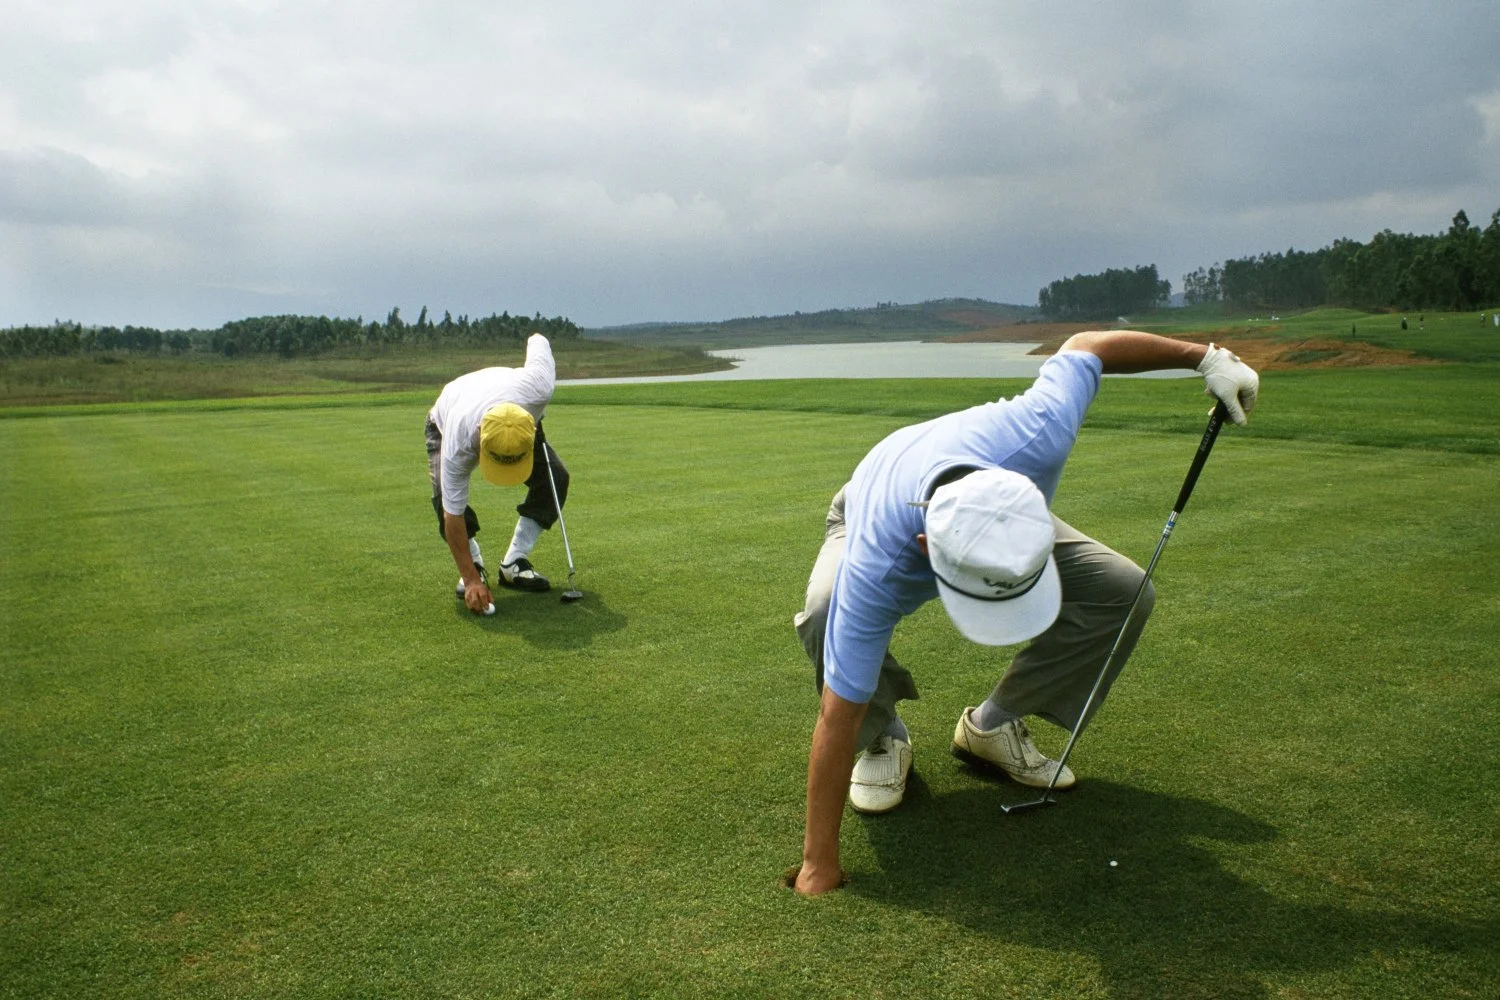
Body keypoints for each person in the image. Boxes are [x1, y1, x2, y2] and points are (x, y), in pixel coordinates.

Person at [790, 331, 1259, 896]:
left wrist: (1205, 358)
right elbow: (835, 715)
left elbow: (1088, 345)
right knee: (823, 610)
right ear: (925, 553)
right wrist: (818, 864)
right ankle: (883, 737)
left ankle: (991, 727)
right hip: (868, 505)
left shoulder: (1036, 435)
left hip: (995, 514)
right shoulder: (882, 563)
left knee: (1123, 588)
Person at [424, 332, 568, 614]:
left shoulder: (538, 388)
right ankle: (474, 562)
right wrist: (470, 579)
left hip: (519, 417)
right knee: (445, 497)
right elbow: (452, 515)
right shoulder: (460, 437)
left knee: (556, 479)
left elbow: (538, 338)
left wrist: (535, 420)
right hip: (445, 415)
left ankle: (514, 562)